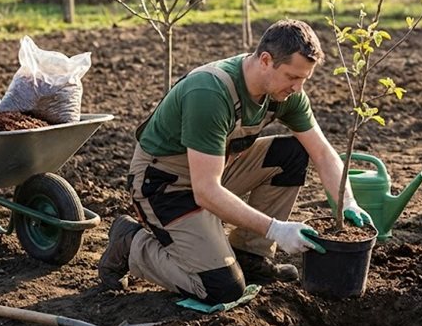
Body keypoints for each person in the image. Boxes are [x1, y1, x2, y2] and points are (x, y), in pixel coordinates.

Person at [97, 19, 372, 305]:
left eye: (304, 79)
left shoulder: (284, 93)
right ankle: (131, 244)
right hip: (164, 184)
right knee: (220, 289)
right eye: (293, 77)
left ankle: (251, 256)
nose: (298, 87)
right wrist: (275, 228)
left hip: (212, 170)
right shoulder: (210, 92)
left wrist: (347, 202)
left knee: (291, 153)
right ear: (266, 60)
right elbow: (205, 192)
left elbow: (322, 153)